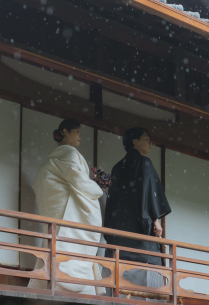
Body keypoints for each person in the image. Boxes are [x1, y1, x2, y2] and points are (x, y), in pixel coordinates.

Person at [28, 119, 106, 295]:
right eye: (77, 132)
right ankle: (70, 284)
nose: (80, 136)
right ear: (65, 132)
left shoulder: (51, 162)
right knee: (70, 246)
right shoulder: (69, 154)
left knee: (54, 245)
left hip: (55, 214)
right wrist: (97, 188)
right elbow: (81, 184)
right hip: (65, 214)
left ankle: (52, 282)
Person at [103, 128, 171, 293]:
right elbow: (148, 194)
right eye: (146, 138)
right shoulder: (144, 162)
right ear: (134, 141)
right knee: (146, 290)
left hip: (119, 238)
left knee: (117, 286)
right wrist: (156, 220)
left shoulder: (118, 167)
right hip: (140, 239)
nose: (150, 143)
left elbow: (113, 201)